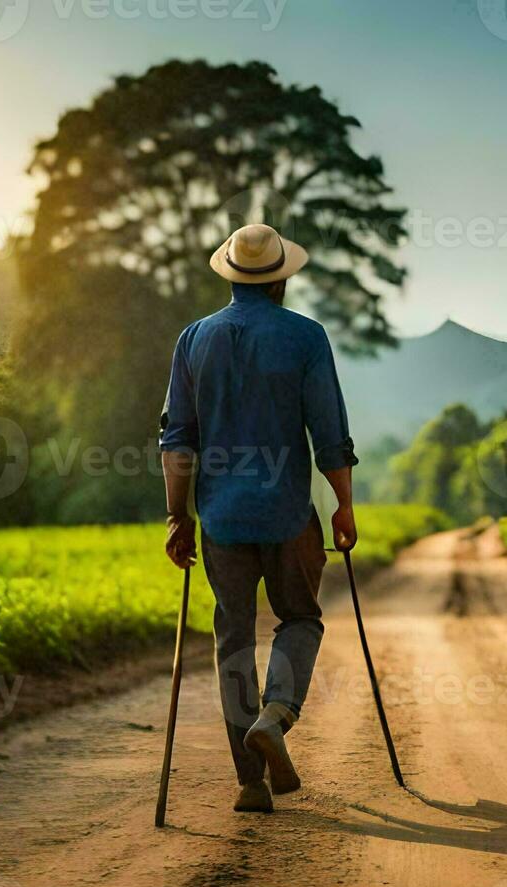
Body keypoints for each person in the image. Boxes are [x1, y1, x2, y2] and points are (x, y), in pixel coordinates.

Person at [158, 223, 359, 814]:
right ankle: (276, 713)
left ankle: (249, 784)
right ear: (283, 278)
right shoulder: (305, 337)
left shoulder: (193, 339)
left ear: (230, 274)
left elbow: (177, 439)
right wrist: (344, 504)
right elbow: (329, 433)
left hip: (220, 518)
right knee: (300, 617)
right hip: (289, 514)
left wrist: (178, 516)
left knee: (234, 640)